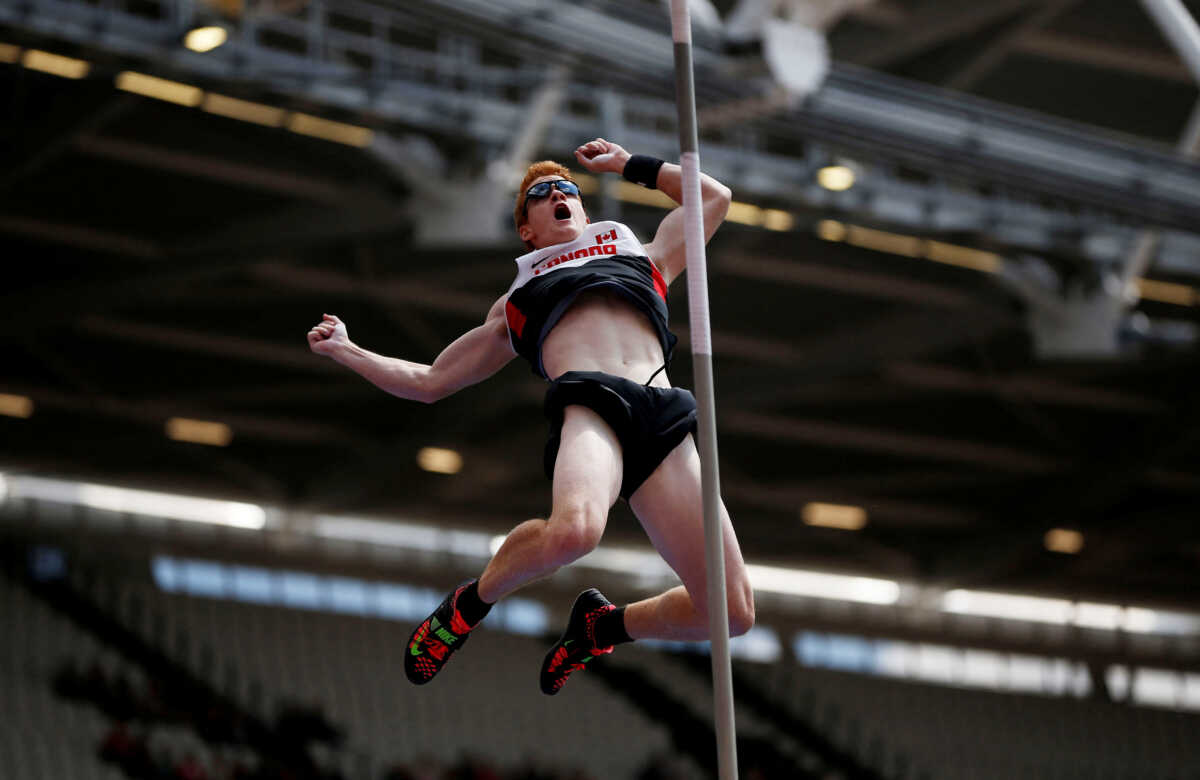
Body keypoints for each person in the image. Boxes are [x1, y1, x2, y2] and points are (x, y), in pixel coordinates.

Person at [307, 138, 755, 695]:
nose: (560, 194)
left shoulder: (642, 254)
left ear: (585, 210)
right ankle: (470, 605)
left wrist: (625, 165)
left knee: (731, 614)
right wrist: (349, 350)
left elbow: (712, 197)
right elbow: (430, 382)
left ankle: (602, 627)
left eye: (568, 189)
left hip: (662, 414)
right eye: (543, 193)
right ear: (528, 230)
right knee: (575, 532)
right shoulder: (518, 297)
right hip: (594, 405)